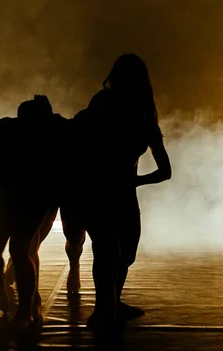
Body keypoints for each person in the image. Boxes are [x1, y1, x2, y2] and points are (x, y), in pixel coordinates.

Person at [62, 53, 172, 333]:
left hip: (121, 192)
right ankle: (103, 310)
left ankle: (112, 302)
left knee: (125, 254)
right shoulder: (104, 104)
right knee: (108, 251)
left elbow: (165, 170)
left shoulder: (145, 115)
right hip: (97, 190)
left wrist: (134, 183)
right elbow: (82, 141)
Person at [0, 95, 71, 333]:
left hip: (37, 196)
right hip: (4, 197)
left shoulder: (59, 135)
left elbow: (64, 175)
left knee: (21, 249)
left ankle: (27, 310)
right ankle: (3, 284)